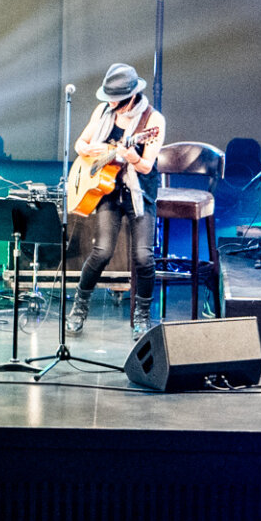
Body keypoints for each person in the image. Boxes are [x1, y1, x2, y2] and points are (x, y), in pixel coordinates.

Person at [67, 62, 166, 337]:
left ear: (133, 95)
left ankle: (142, 316)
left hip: (139, 192)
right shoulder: (103, 111)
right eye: (109, 98)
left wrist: (129, 155)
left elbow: (146, 166)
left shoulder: (152, 121)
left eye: (117, 99)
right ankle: (79, 307)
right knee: (102, 252)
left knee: (144, 258)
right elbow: (79, 144)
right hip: (107, 190)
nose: (112, 103)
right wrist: (96, 149)